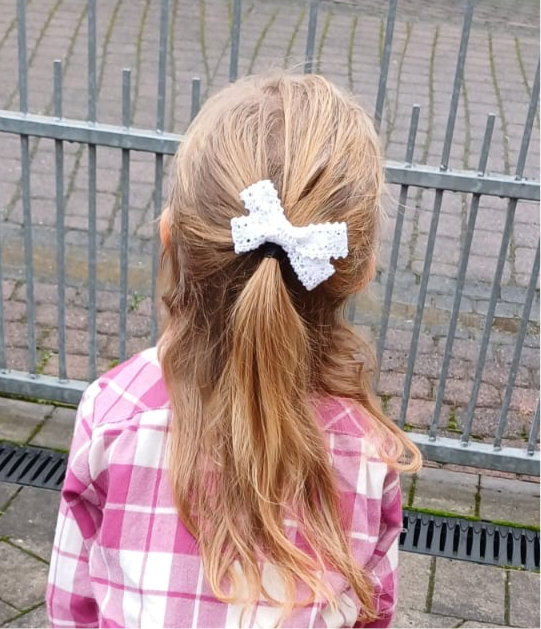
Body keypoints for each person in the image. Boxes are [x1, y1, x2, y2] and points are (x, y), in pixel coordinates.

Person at [47, 72, 421, 629]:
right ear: (360, 271)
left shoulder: (114, 411)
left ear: (169, 236)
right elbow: (374, 611)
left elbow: (72, 601)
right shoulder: (367, 449)